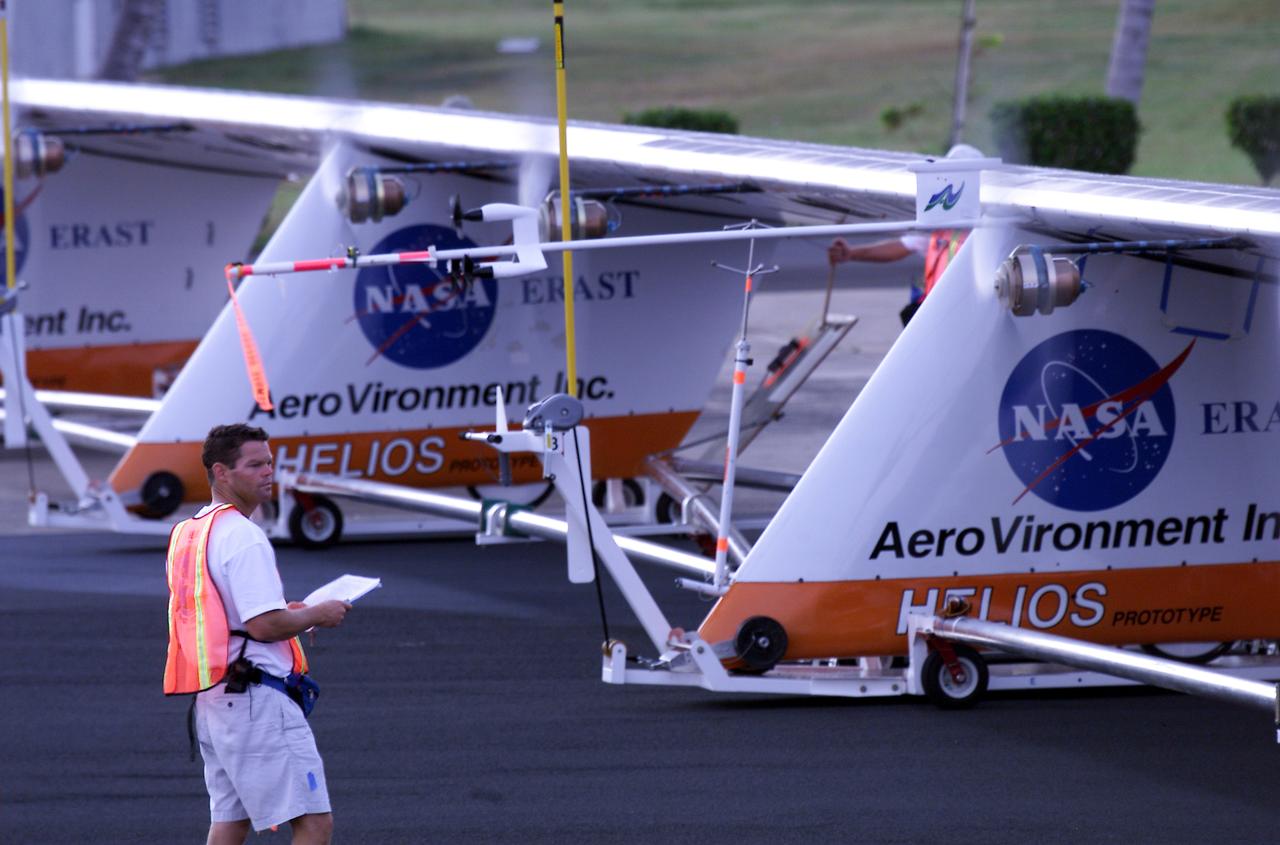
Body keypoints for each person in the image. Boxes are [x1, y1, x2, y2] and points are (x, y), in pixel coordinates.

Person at [163, 423, 350, 845]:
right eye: (255, 464)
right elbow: (262, 625)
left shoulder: (190, 532)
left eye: (269, 462)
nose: (269, 472)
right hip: (256, 702)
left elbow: (224, 612)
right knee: (314, 823)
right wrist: (319, 613)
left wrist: (292, 613)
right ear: (222, 472)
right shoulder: (244, 537)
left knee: (230, 822)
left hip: (214, 700)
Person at [827, 144, 980, 325]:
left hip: (965, 316)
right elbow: (902, 246)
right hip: (937, 314)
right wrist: (852, 253)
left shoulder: (985, 230)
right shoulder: (940, 227)